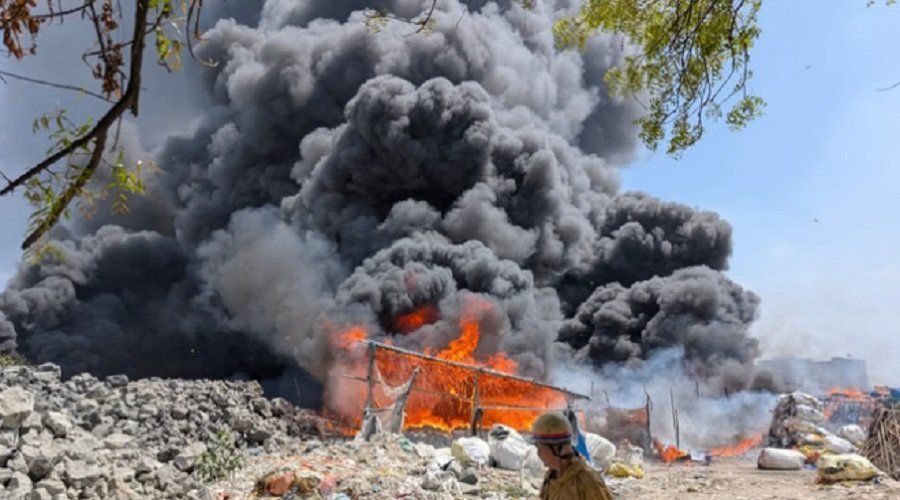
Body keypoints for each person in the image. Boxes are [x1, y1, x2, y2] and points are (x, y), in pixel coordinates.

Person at [530, 412, 614, 500]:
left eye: (539, 448)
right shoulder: (551, 476)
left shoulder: (588, 481)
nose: (539, 454)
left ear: (550, 450)